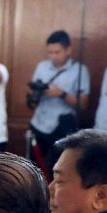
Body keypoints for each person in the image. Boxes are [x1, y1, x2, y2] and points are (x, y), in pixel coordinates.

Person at [29, 30, 89, 171]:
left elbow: (83, 104)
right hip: (39, 123)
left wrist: (61, 94)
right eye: (50, 52)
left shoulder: (80, 70)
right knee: (33, 168)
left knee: (58, 169)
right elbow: (32, 91)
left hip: (62, 127)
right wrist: (35, 92)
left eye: (57, 52)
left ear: (68, 50)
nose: (53, 56)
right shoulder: (42, 66)